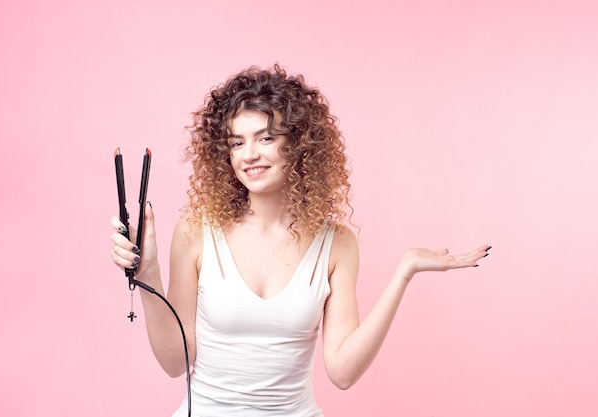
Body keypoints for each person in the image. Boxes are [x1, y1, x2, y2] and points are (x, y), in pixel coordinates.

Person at [110, 64, 490, 416]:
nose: (250, 155)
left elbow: (342, 372)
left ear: (298, 144)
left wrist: (404, 272)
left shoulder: (337, 244)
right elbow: (175, 362)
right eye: (237, 142)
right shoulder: (197, 231)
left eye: (266, 138)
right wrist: (149, 274)